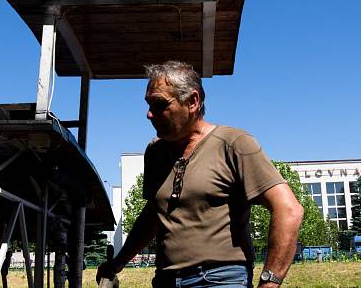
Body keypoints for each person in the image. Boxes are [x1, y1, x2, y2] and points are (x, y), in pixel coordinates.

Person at [97, 61, 303, 288]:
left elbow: (288, 209)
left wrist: (270, 282)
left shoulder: (234, 143)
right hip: (165, 280)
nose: (149, 114)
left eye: (159, 104)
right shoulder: (155, 152)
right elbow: (152, 217)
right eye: (148, 104)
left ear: (193, 101)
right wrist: (116, 264)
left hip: (220, 279)